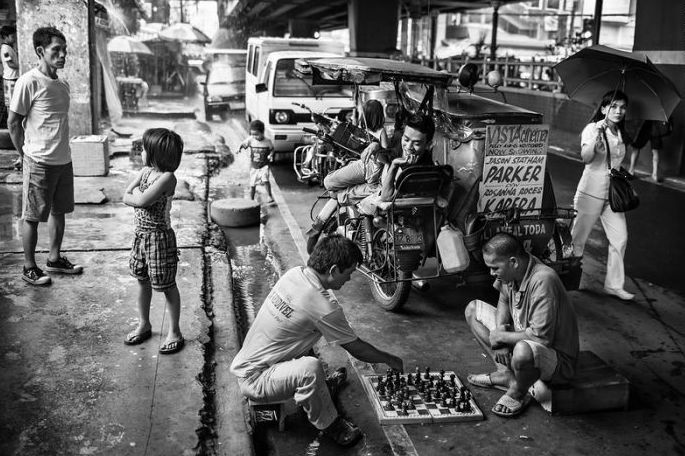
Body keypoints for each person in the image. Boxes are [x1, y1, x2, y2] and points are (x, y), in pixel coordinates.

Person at [230, 234, 403, 447]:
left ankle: (319, 391)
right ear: (333, 271)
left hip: (253, 364)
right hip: (255, 379)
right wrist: (391, 360)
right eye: (348, 273)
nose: (349, 280)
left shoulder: (296, 273)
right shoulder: (322, 306)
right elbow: (356, 348)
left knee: (306, 334)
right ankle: (332, 426)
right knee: (310, 369)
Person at [464, 233, 579, 418]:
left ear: (513, 262)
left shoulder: (543, 280)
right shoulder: (510, 274)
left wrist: (500, 337)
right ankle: (505, 374)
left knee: (522, 351)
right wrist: (500, 330)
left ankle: (519, 391)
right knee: (472, 310)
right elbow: (503, 298)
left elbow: (541, 337)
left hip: (556, 359)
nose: (491, 273)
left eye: (495, 268)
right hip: (523, 339)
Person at [8, 26, 83, 286]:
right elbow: (13, 122)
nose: (62, 55)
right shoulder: (28, 81)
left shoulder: (63, 83)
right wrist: (24, 155)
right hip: (39, 161)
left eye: (64, 50)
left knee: (58, 211)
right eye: (56, 50)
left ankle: (54, 258)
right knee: (31, 216)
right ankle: (29, 267)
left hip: (63, 160)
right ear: (40, 51)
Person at [123, 128, 185, 355]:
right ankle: (144, 323)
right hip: (140, 236)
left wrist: (134, 198)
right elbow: (126, 195)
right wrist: (134, 198)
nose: (142, 153)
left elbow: (140, 200)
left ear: (156, 154)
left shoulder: (167, 178)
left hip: (159, 239)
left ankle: (175, 332)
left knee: (167, 285)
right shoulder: (147, 171)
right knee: (141, 278)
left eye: (145, 149)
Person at [571, 90, 635, 301]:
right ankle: (568, 279)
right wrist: (596, 139)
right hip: (590, 192)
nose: (618, 111)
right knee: (577, 239)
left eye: (622, 107)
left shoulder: (619, 132)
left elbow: (616, 161)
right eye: (614, 106)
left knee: (620, 238)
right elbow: (586, 158)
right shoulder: (593, 128)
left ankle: (614, 285)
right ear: (603, 109)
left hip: (612, 195)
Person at [238, 119, 275, 203]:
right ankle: (251, 199)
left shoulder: (267, 142)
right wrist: (239, 149)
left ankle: (269, 196)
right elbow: (243, 144)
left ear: (262, 133)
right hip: (254, 166)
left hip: (264, 165)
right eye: (252, 134)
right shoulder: (250, 140)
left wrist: (271, 155)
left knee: (265, 180)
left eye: (256, 134)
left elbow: (272, 149)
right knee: (252, 184)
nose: (254, 136)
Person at [629, 118, 672, 183]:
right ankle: (654, 175)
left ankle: (631, 171)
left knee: (637, 148)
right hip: (655, 129)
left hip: (649, 127)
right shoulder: (660, 109)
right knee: (654, 151)